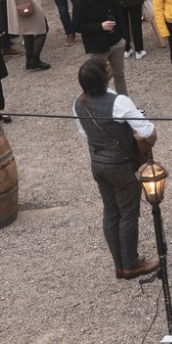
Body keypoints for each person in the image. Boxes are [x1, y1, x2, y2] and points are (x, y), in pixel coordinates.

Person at [72, 57, 158, 281]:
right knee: (128, 213)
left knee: (110, 211)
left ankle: (119, 265)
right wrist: (134, 137)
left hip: (98, 164)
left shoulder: (78, 102)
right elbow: (147, 131)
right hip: (121, 167)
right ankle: (131, 264)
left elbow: (85, 134)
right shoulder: (119, 102)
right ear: (104, 78)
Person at [74, 0, 129, 97]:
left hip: (116, 43)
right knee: (100, 80)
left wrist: (123, 38)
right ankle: (105, 108)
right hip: (98, 47)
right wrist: (100, 26)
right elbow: (77, 26)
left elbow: (120, 15)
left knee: (119, 75)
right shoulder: (81, 2)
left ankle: (126, 104)